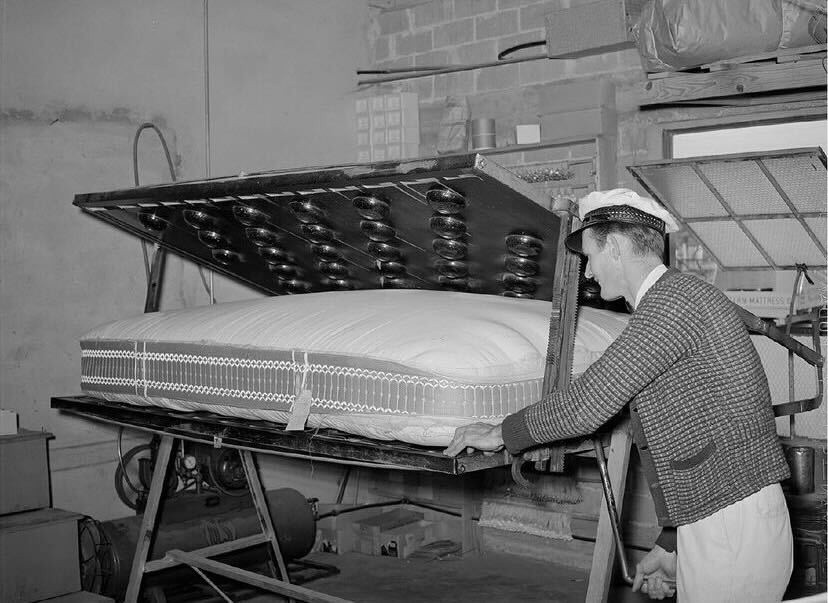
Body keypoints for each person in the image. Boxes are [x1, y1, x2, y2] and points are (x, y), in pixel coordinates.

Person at [444, 188, 793, 602]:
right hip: (725, 518)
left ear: (616, 246)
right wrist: (672, 543)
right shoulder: (676, 298)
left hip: (730, 529)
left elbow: (587, 404)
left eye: (591, 256)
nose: (589, 272)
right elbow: (701, 431)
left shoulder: (673, 303)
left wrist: (501, 432)